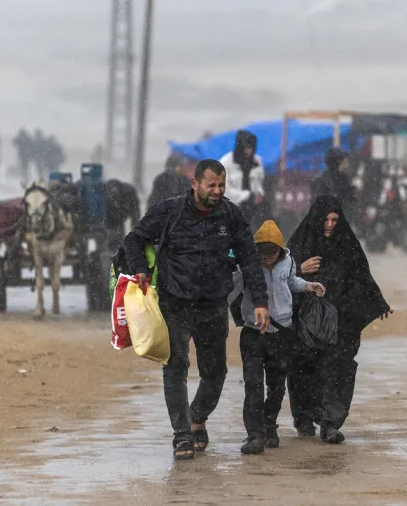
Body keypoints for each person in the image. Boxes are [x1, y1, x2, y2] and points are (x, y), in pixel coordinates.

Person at [123, 158, 270, 461]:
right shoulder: (171, 210)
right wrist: (141, 270)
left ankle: (197, 417)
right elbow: (134, 239)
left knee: (215, 373)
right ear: (195, 184)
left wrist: (260, 301)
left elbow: (249, 259)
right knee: (175, 367)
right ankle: (181, 435)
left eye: (221, 185)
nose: (217, 191)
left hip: (214, 305)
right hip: (174, 303)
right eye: (211, 185)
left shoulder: (231, 215)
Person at [287, 195, 392, 443]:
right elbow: (278, 276)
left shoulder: (347, 244)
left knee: (339, 368)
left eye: (334, 220)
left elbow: (362, 275)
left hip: (341, 321)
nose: (330, 225)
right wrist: (299, 269)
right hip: (306, 323)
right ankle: (304, 418)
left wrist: (377, 302)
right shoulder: (300, 244)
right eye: (325, 220)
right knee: (303, 368)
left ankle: (330, 423)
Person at [228, 220, 325, 454]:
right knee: (253, 385)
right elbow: (231, 290)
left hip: (282, 333)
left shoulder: (289, 262)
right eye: (262, 254)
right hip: (253, 332)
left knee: (277, 386)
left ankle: (270, 426)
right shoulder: (246, 266)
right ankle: (255, 434)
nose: (267, 259)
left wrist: (308, 285)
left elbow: (291, 282)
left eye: (271, 254)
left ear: (280, 251)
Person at [219, 130, 266, 227]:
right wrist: (247, 196)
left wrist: (259, 194)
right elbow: (225, 191)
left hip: (254, 210)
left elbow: (259, 182)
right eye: (246, 148)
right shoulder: (225, 163)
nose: (249, 151)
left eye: (251, 148)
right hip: (231, 211)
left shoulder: (257, 161)